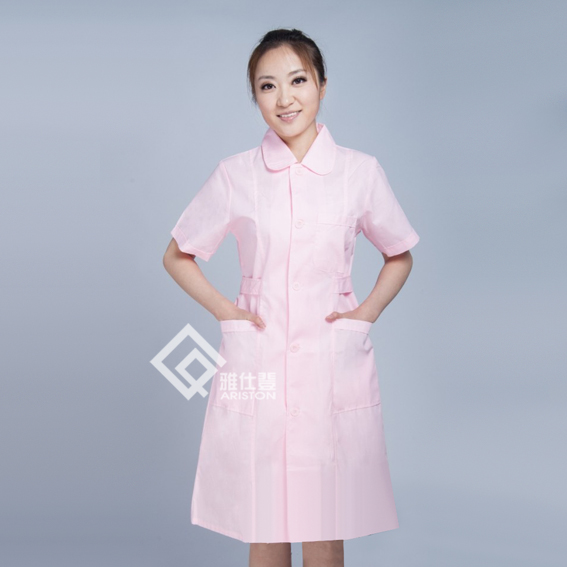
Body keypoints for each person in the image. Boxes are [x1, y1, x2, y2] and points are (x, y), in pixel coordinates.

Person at [163, 28, 420, 567]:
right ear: (255, 96)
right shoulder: (236, 175)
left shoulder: (359, 172)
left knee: (326, 526)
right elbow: (177, 255)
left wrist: (364, 314)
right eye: (267, 86)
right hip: (259, 359)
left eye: (298, 81)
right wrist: (230, 314)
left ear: (322, 86)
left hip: (331, 362)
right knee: (265, 523)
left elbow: (399, 254)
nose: (285, 98)